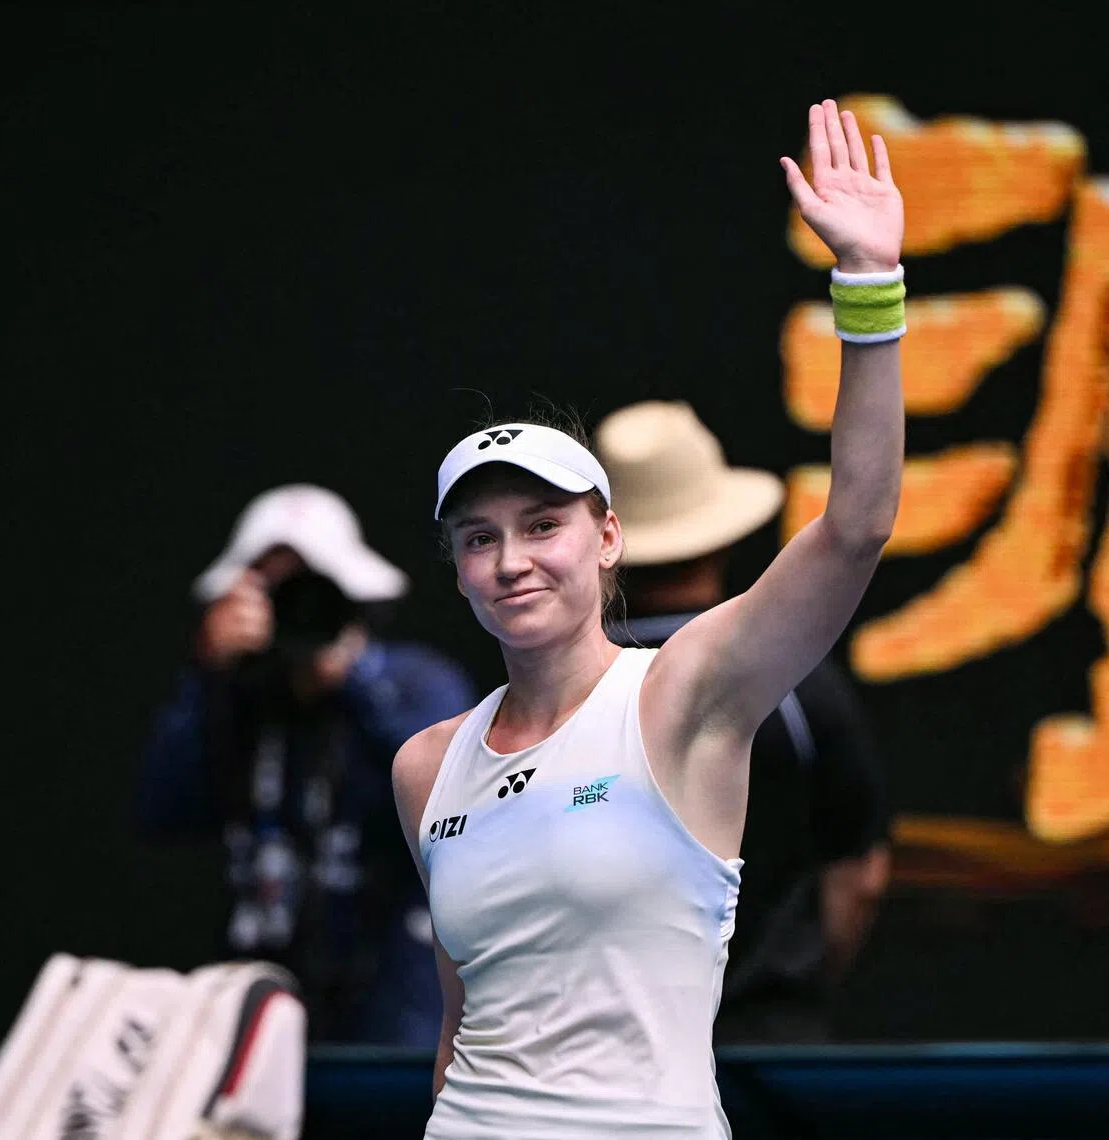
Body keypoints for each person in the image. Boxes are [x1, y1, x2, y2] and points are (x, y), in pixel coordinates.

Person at [393, 100, 904, 1138]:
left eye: (543, 524)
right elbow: (462, 1027)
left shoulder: (684, 693)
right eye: (480, 538)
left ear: (609, 539)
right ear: (457, 573)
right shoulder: (425, 766)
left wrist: (868, 287)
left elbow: (856, 525)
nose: (512, 558)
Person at [595, 398, 892, 1044]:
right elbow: (859, 874)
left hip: (607, 1058)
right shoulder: (797, 682)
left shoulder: (556, 691)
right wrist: (789, 987)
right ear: (722, 532)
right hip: (769, 1048)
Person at [137, 484, 477, 1044]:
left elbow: (457, 806)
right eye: (276, 591)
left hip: (394, 1002)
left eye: (314, 588)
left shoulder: (416, 683)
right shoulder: (232, 704)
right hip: (258, 1000)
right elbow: (160, 813)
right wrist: (206, 679)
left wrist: (355, 680)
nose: (298, 607)